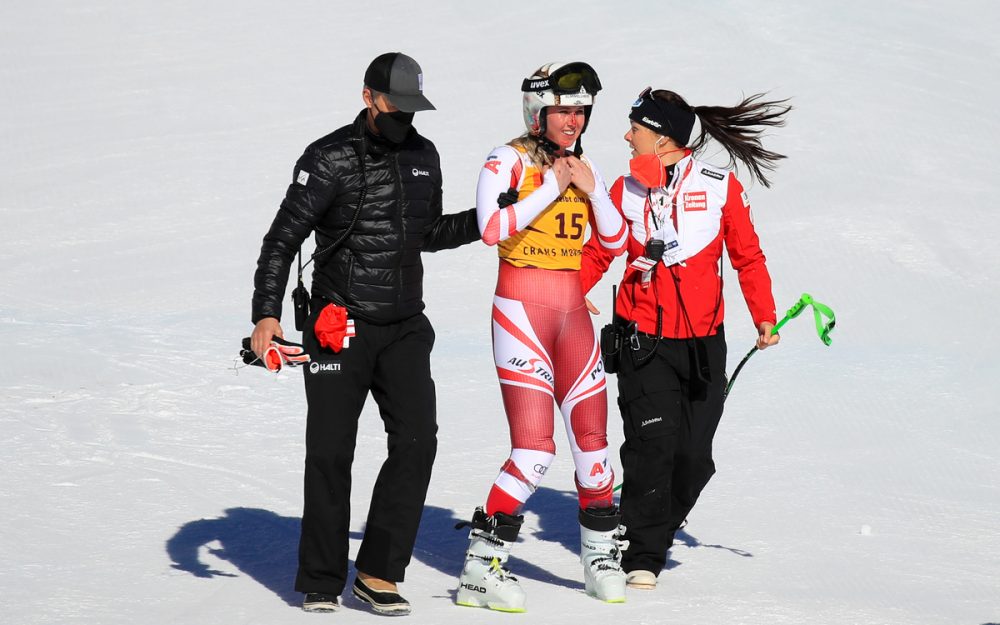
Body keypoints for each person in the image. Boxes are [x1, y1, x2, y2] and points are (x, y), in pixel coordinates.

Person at [249, 52, 480, 615]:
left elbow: (427, 233)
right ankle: (323, 579)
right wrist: (266, 315)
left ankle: (378, 571)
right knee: (331, 451)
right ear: (368, 96)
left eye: (412, 107)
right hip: (337, 325)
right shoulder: (329, 158)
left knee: (418, 441)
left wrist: (490, 221)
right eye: (395, 105)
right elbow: (282, 239)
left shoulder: (425, 155)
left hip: (404, 325)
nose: (404, 117)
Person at [580, 87, 790, 590]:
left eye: (637, 129)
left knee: (694, 457)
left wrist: (764, 315)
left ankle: (658, 523)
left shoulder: (720, 186)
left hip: (703, 344)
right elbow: (599, 249)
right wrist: (572, 289)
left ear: (664, 139)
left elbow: (748, 256)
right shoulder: (623, 190)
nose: (627, 137)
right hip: (641, 340)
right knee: (652, 444)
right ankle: (642, 553)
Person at [454, 62, 628, 612]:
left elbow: (617, 237)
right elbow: (490, 228)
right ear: (538, 110)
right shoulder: (507, 158)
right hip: (521, 314)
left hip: (573, 315)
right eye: (563, 110)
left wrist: (592, 189)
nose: (573, 121)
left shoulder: (582, 163)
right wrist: (552, 187)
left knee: (595, 451)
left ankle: (599, 554)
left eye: (581, 111)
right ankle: (481, 566)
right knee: (533, 451)